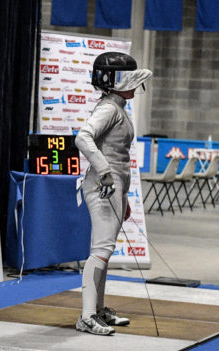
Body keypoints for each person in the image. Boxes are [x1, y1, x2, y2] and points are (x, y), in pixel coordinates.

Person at [74, 52, 152, 336]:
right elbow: (83, 138)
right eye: (129, 78)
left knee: (104, 250)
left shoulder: (118, 107)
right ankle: (86, 315)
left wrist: (124, 198)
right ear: (115, 80)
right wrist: (104, 171)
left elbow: (118, 157)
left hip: (113, 187)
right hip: (102, 185)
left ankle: (98, 309)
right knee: (101, 250)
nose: (135, 84)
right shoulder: (108, 108)